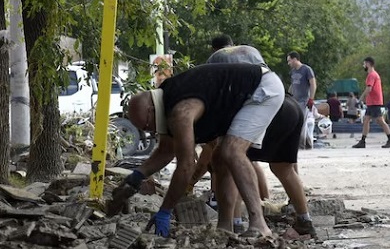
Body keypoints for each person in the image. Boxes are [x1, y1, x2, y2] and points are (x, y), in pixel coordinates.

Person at [115, 62, 285, 238]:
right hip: (241, 95)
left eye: (147, 126)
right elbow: (166, 150)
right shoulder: (166, 102)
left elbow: (187, 165)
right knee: (219, 159)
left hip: (260, 88)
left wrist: (165, 210)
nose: (150, 131)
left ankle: (259, 225)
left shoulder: (180, 112)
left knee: (232, 151)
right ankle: (225, 227)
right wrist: (137, 175)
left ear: (151, 110)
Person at [206, 45, 316, 238]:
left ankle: (236, 223)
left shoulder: (217, 67)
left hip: (264, 105)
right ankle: (304, 221)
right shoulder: (247, 53)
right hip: (289, 105)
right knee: (283, 168)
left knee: (232, 160)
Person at [353, 57, 390, 148]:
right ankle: (363, 141)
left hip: (374, 102)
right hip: (372, 102)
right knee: (366, 120)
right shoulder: (374, 74)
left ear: (368, 64)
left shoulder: (371, 75)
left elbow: (369, 88)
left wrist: (360, 99)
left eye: (364, 64)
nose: (363, 66)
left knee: (380, 121)